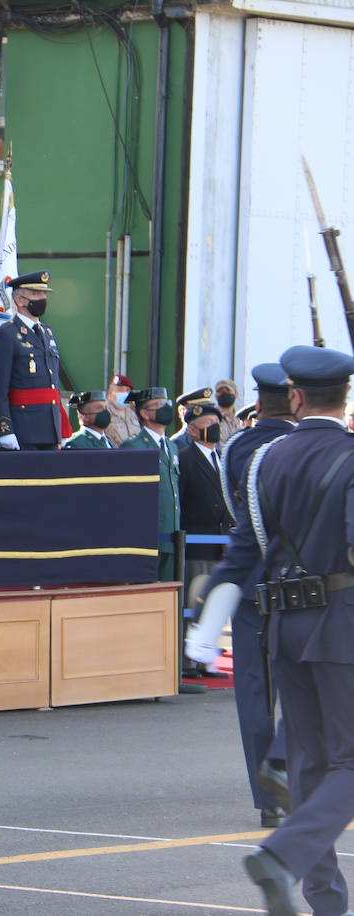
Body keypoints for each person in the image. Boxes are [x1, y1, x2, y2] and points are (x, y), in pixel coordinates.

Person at [195, 346, 354, 916]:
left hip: (285, 625)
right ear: (345, 396)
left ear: (294, 396)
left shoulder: (267, 459)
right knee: (350, 765)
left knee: (311, 768)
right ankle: (283, 855)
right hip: (343, 627)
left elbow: (243, 550)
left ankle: (327, 903)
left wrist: (208, 617)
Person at [209, 363, 295, 827]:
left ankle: (269, 799)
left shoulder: (236, 446)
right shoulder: (305, 447)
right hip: (300, 587)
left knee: (255, 694)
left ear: (258, 403)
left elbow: (237, 513)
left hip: (250, 584)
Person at [0, 270, 70, 450]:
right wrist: (5, 429)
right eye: (35, 294)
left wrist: (61, 425)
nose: (42, 298)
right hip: (23, 427)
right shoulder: (7, 335)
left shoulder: (47, 333)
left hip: (50, 426)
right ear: (20, 300)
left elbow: (52, 384)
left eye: (43, 294)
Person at [178, 404, 234, 631]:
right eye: (209, 424)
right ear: (192, 430)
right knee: (194, 603)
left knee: (215, 605)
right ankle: (190, 661)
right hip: (197, 544)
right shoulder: (184, 459)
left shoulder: (221, 457)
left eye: (216, 425)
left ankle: (207, 658)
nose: (214, 429)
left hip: (221, 543)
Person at [120, 387, 182, 581]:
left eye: (166, 404)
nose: (165, 408)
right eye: (159, 405)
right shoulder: (134, 446)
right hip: (148, 536)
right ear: (145, 413)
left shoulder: (172, 446)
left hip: (172, 533)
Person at [171, 387, 216, 457]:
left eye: (209, 409)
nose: (207, 414)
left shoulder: (212, 437)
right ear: (185, 412)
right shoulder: (177, 442)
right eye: (200, 410)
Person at [104, 372, 141, 446]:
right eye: (120, 390)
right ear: (110, 392)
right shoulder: (104, 412)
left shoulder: (132, 413)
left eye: (127, 390)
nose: (125, 393)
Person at [214, 377, 244, 442]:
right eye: (220, 391)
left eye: (228, 390)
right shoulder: (212, 418)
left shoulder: (241, 418)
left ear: (236, 394)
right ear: (215, 396)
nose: (224, 393)